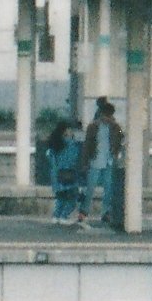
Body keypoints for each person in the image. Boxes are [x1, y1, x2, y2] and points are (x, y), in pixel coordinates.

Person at [81, 98, 122, 231]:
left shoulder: (116, 127)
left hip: (109, 161)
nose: (107, 118)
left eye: (109, 116)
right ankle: (84, 212)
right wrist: (85, 161)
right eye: (105, 115)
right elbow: (87, 145)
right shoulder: (93, 127)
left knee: (108, 188)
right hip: (95, 160)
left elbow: (122, 138)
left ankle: (106, 213)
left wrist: (116, 153)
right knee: (90, 188)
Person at [44, 119, 82, 224]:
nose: (72, 132)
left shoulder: (54, 144)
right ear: (66, 131)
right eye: (70, 130)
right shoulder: (70, 145)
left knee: (60, 198)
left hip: (56, 175)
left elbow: (50, 158)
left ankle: (56, 216)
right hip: (68, 174)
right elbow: (73, 158)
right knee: (72, 198)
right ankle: (64, 216)